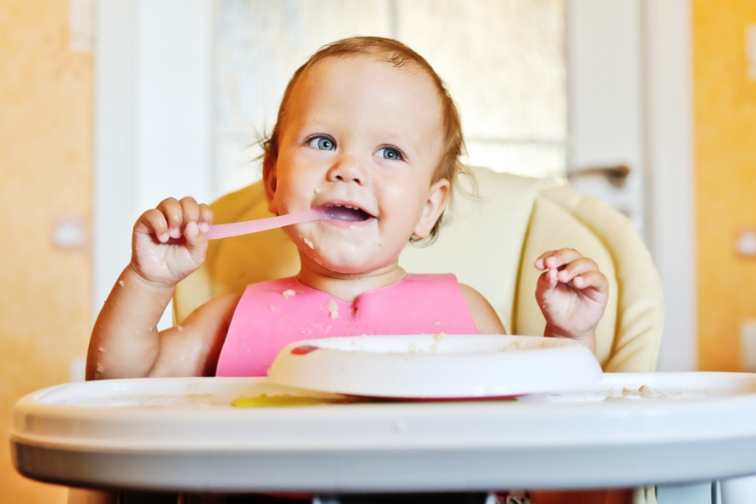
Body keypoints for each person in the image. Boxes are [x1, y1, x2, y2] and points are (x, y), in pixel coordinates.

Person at [86, 37, 614, 503]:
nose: (349, 169)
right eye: (322, 142)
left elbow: (545, 432)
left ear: (428, 208)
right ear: (273, 181)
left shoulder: (464, 315)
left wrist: (569, 335)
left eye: (389, 151)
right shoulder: (231, 318)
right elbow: (119, 385)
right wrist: (150, 279)